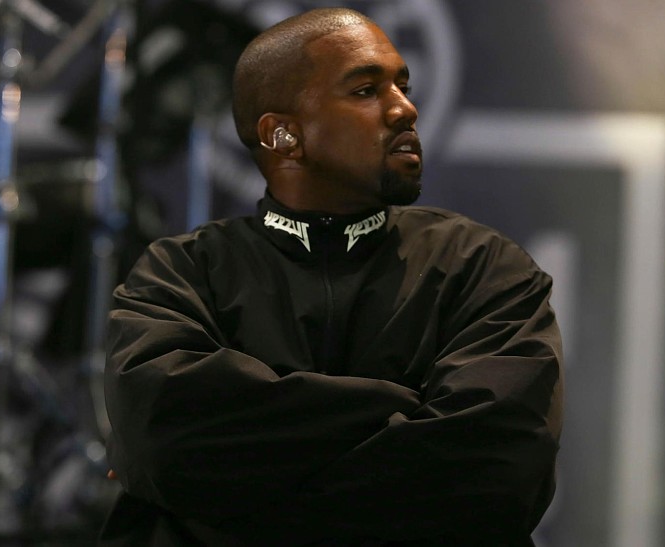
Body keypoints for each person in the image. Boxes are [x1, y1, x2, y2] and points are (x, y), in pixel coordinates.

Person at [101, 7, 563, 546]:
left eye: (403, 86)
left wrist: (230, 493)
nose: (405, 108)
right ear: (281, 136)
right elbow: (161, 443)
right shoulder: (180, 274)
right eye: (366, 90)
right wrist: (403, 409)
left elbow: (494, 473)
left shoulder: (482, 266)